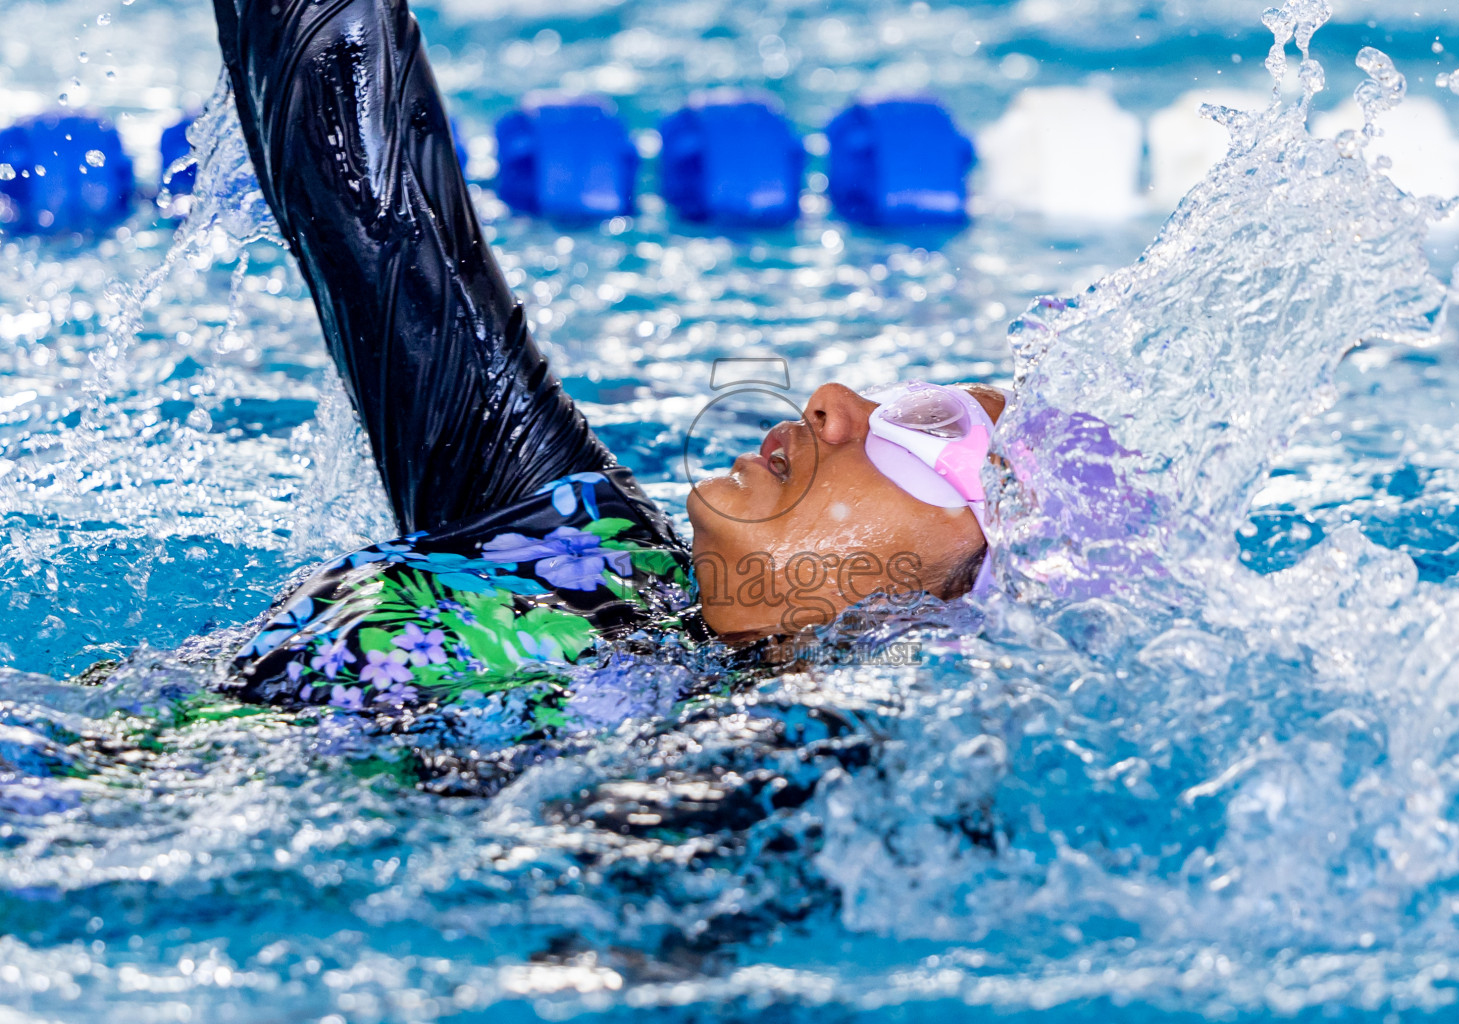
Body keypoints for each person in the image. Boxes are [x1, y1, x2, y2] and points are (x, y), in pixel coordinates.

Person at [213, 0, 1005, 730]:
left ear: (962, 598)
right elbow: (376, 201)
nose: (831, 404)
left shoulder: (810, 788)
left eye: (927, 432)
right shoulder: (580, 541)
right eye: (903, 400)